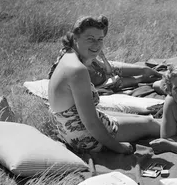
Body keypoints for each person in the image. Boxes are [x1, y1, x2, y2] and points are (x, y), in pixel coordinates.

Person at [48, 15, 161, 155]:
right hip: (85, 138)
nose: (96, 44)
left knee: (141, 118)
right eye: (90, 39)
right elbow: (91, 123)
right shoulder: (77, 70)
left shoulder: (68, 53)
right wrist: (118, 147)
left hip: (68, 130)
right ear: (76, 38)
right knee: (150, 125)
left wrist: (143, 70)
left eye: (100, 39)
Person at [48, 28, 162, 93]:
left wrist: (103, 59)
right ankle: (160, 79)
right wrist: (103, 88)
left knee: (143, 69)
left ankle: (162, 75)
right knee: (141, 79)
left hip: (109, 70)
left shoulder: (86, 55)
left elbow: (106, 68)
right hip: (108, 83)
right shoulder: (72, 65)